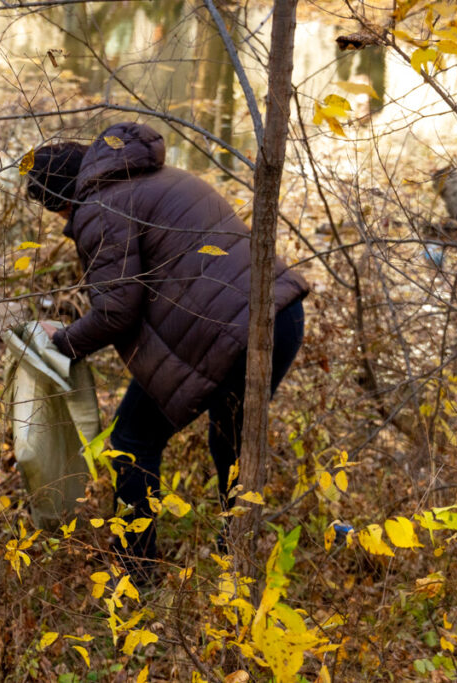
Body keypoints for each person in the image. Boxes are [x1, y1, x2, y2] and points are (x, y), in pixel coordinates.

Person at [24, 122, 310, 579]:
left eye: (51, 209)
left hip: (230, 333)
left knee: (132, 441)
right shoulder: (154, 176)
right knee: (232, 441)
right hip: (281, 315)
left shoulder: (99, 208)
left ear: (59, 200)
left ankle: (134, 569)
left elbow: (117, 312)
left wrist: (58, 342)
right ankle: (234, 558)